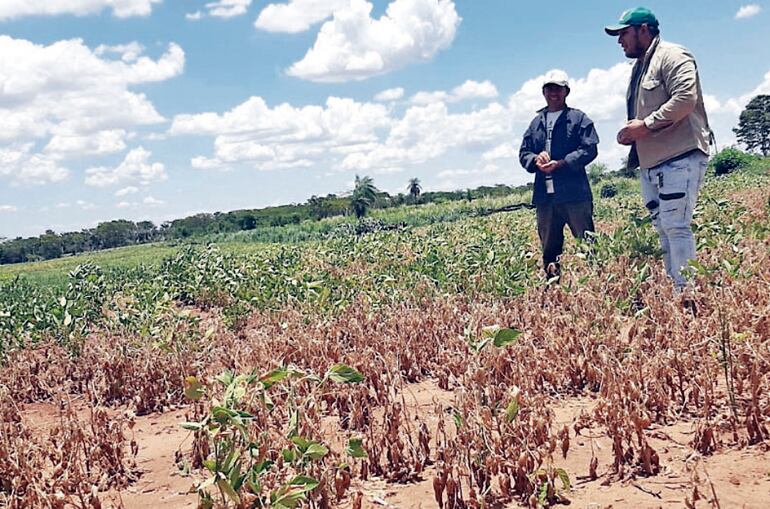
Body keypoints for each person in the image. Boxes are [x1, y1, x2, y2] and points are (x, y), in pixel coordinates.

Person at [606, 7, 712, 291]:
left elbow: (685, 99)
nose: (619, 41)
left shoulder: (673, 55)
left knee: (676, 227)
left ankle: (687, 295)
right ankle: (677, 290)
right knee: (664, 230)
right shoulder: (640, 67)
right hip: (652, 162)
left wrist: (644, 127)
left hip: (679, 156)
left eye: (623, 33)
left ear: (644, 29)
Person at [519, 71, 599, 280]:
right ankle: (553, 288)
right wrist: (535, 160)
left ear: (566, 92)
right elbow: (523, 153)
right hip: (545, 198)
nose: (553, 92)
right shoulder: (536, 122)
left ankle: (598, 284)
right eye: (549, 88)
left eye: (558, 88)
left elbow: (589, 149)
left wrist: (563, 163)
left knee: (587, 243)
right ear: (543, 92)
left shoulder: (578, 118)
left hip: (574, 194)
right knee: (549, 249)